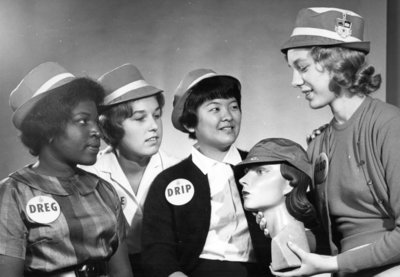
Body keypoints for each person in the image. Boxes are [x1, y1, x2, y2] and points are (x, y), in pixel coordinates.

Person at [269, 7, 400, 277]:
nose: (295, 81)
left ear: (336, 63)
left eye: (302, 67)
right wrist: (282, 226)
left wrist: (333, 265)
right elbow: (324, 236)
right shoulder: (317, 145)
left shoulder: (389, 125)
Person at [0, 62, 133, 277]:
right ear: (47, 128)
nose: (96, 131)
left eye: (96, 122)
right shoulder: (14, 194)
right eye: (82, 121)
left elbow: (123, 272)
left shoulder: (104, 191)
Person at [141, 69, 272, 277]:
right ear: (189, 123)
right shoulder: (169, 181)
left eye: (234, 106)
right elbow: (157, 248)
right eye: (215, 109)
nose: (228, 116)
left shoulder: (264, 167)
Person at [81, 63, 178, 277]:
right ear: (111, 125)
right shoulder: (89, 176)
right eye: (140, 118)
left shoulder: (178, 172)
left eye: (157, 115)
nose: (153, 126)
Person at [236, 138, 318, 272]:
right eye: (246, 172)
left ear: (290, 183)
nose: (242, 180)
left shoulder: (287, 242)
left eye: (260, 171)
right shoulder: (278, 240)